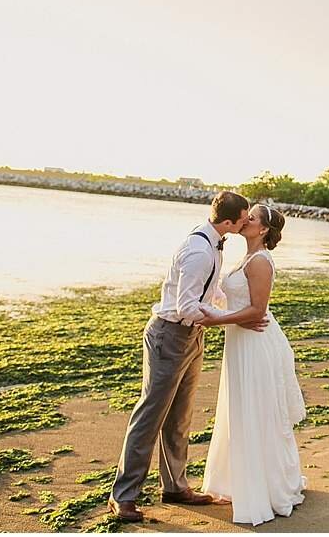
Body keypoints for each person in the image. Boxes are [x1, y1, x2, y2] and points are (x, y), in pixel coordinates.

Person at [108, 190, 266, 523]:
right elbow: (186, 307)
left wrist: (234, 308)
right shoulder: (199, 251)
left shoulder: (215, 244)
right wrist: (231, 320)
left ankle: (175, 487)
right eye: (243, 219)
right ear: (228, 222)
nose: (245, 223)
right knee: (150, 416)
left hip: (192, 335)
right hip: (170, 335)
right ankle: (123, 496)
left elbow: (210, 292)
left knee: (180, 416)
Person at [199, 202, 308, 526]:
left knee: (256, 413)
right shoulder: (246, 257)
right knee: (240, 409)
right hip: (241, 341)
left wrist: (215, 321)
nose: (246, 219)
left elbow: (258, 311)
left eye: (253, 217)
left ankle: (266, 489)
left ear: (262, 229)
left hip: (255, 344)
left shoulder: (260, 261)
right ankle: (236, 482)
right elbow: (238, 300)